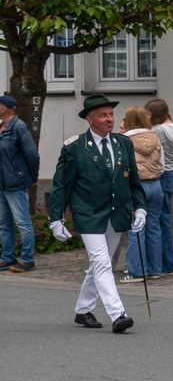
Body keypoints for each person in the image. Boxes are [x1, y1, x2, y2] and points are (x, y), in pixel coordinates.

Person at [47, 93, 146, 333]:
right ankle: (118, 314)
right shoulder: (75, 148)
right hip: (88, 213)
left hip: (116, 213)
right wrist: (56, 218)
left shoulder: (123, 143)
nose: (109, 119)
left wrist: (140, 207)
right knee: (102, 262)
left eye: (111, 114)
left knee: (101, 264)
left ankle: (83, 309)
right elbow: (62, 186)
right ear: (90, 119)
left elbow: (133, 180)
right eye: (103, 115)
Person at [119, 106, 163, 283]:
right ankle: (155, 269)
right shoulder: (155, 137)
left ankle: (137, 271)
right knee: (154, 227)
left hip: (136, 187)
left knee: (136, 229)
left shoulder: (124, 140)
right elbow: (162, 163)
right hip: (156, 185)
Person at [0, 93, 39, 272]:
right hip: (2, 184)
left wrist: (33, 177)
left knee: (22, 222)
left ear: (3, 108)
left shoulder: (19, 127)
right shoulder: (2, 127)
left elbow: (32, 154)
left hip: (15, 183)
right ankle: (7, 258)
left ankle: (27, 260)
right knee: (4, 224)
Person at [145, 98, 173, 276]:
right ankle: (167, 263)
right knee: (164, 220)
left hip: (162, 174)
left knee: (161, 222)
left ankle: (167, 264)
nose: (147, 117)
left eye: (148, 114)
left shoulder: (158, 130)